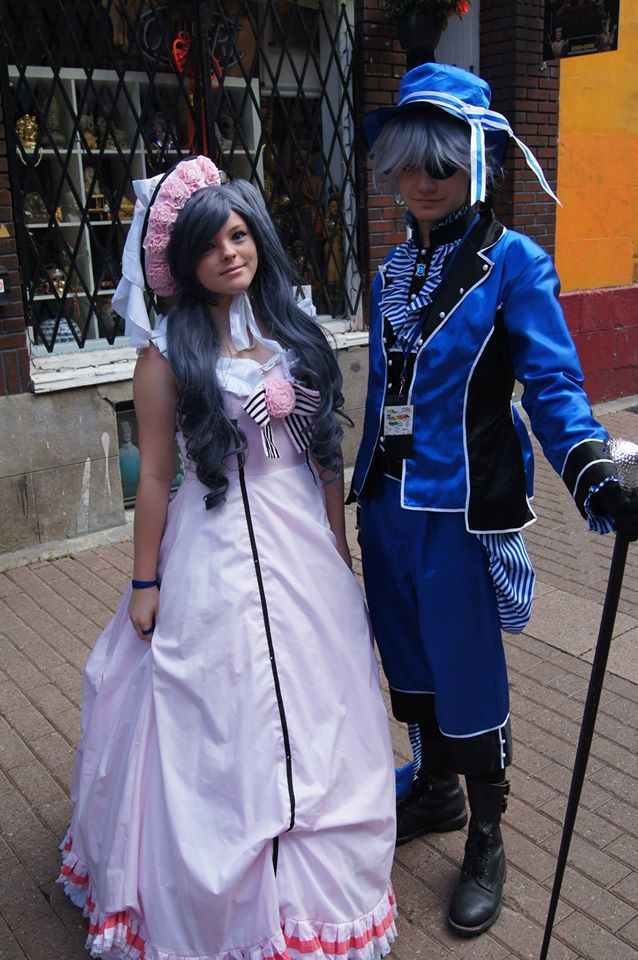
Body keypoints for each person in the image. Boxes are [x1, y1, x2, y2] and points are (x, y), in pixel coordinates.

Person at [59, 155, 398, 960]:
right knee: (218, 713)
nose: (229, 254)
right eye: (210, 244)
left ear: (258, 239)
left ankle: (309, 878)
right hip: (208, 551)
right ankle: (215, 882)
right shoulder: (163, 357)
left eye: (239, 235)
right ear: (184, 262)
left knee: (319, 708)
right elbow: (153, 478)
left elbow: (324, 454)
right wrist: (145, 581)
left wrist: (337, 546)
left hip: (300, 547)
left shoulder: (294, 334)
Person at [348, 63, 638, 939]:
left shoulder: (516, 265)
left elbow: (552, 386)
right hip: (388, 506)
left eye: (441, 164)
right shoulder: (390, 271)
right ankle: (435, 788)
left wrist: (592, 468)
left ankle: (486, 833)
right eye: (408, 164)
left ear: (478, 162)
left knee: (467, 668)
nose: (422, 182)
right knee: (407, 658)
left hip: (460, 513)